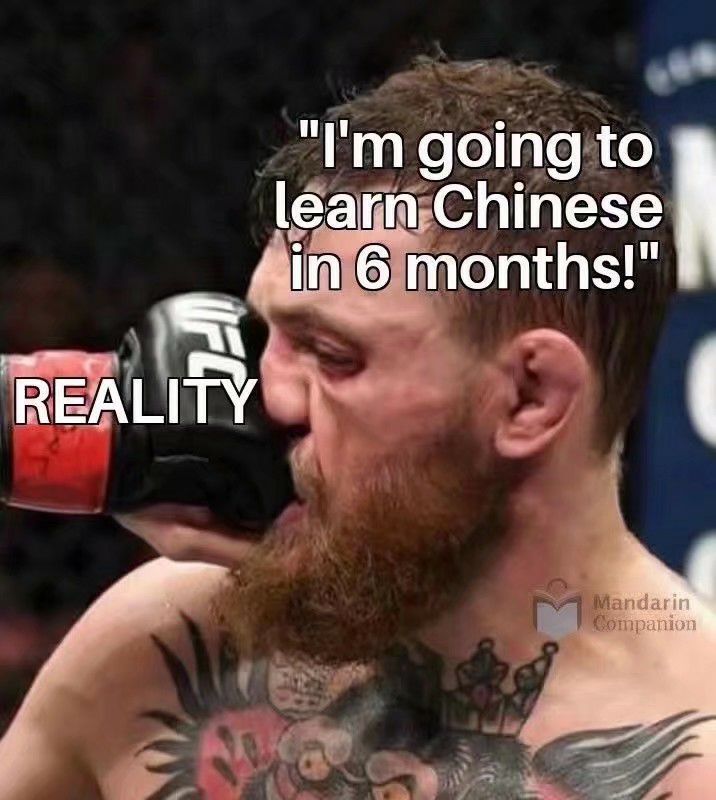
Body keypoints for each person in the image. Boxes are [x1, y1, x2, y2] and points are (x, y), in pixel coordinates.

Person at [1, 56, 714, 800]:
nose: (267, 395)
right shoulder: (165, 643)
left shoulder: (692, 766)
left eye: (332, 355)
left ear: (529, 397)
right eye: (265, 333)